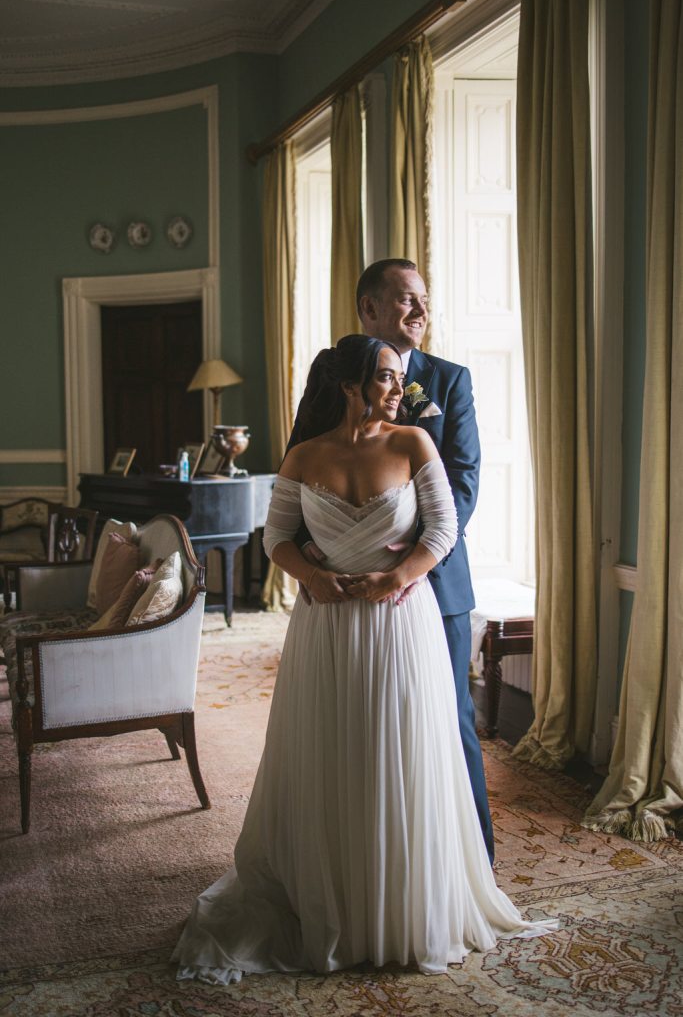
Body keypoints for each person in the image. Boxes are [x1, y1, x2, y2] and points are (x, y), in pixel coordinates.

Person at [173, 335, 556, 984]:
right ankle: (330, 896)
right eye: (384, 375)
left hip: (398, 623)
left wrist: (398, 575)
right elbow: (276, 538)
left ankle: (398, 909)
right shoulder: (305, 454)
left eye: (397, 376)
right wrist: (312, 579)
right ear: (349, 382)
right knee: (330, 750)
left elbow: (442, 526)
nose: (397, 387)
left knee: (394, 749)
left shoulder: (413, 444)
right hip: (324, 628)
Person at [292, 259, 494, 864]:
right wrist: (309, 553)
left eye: (424, 300)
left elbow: (464, 483)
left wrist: (410, 562)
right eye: (406, 300)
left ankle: (471, 864)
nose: (420, 311)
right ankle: (365, 858)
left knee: (449, 720)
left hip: (435, 584)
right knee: (353, 720)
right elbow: (299, 460)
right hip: (340, 581)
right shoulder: (334, 371)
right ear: (369, 308)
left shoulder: (450, 381)